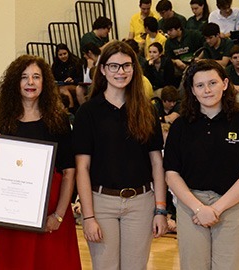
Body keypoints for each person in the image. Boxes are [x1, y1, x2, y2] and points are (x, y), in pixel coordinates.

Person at [74, 41, 167, 269]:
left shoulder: (147, 109)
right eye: (114, 66)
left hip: (140, 203)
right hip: (101, 203)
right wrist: (88, 217)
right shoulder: (88, 112)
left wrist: (161, 209)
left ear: (134, 69)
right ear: (103, 69)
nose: (121, 72)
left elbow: (157, 163)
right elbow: (82, 168)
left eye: (126, 66)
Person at [164, 59, 239, 270]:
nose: (207, 90)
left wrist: (217, 208)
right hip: (191, 205)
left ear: (225, 84)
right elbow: (171, 174)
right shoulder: (181, 126)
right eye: (200, 85)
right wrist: (199, 208)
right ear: (192, 90)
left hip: (232, 204)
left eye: (213, 83)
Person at [0, 55, 81, 270]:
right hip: (13, 215)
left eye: (36, 77)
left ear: (44, 82)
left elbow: (69, 172)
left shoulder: (59, 121)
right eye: (24, 77)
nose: (30, 83)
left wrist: (59, 215)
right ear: (14, 83)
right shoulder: (1, 123)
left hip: (51, 211)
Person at [52, 43, 83, 112]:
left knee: (63, 89)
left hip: (76, 85)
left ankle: (70, 111)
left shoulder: (76, 62)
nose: (63, 56)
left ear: (68, 52)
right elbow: (53, 78)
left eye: (65, 53)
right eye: (60, 55)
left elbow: (81, 78)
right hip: (60, 85)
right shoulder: (55, 65)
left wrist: (73, 80)